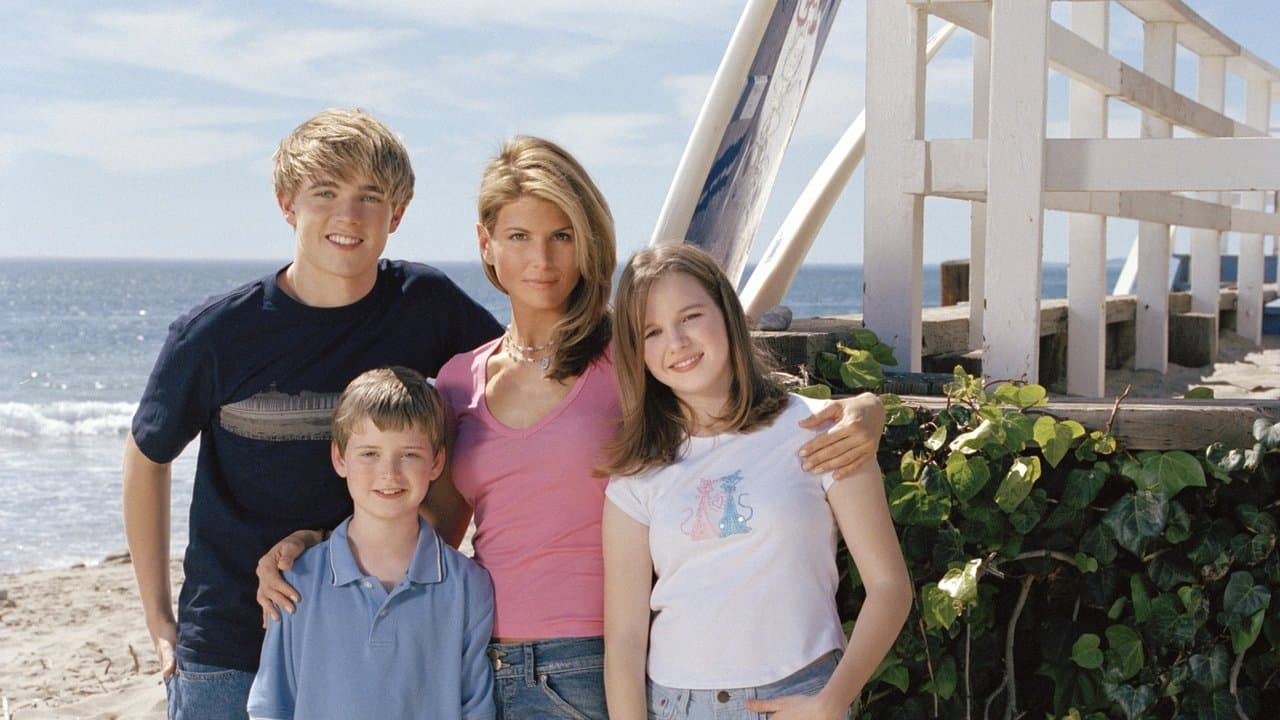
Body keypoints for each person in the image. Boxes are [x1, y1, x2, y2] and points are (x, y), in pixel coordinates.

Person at [256, 136, 886, 719]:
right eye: (520, 236)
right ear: (486, 243)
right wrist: (316, 550)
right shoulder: (457, 382)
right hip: (478, 656)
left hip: (594, 662)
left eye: (562, 235)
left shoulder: (630, 357)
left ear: (588, 241)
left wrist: (866, 409)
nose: (542, 259)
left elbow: (733, 415)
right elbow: (424, 527)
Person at [122, 108, 502, 719]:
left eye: (369, 197)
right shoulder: (217, 334)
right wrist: (159, 617)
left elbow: (501, 399)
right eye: (325, 192)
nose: (348, 216)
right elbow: (147, 457)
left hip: (359, 638)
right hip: (231, 641)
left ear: (397, 214)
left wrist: (437, 530)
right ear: (287, 204)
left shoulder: (427, 308)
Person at [601, 244, 912, 720]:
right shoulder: (636, 475)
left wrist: (832, 702)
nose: (676, 342)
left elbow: (890, 587)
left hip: (802, 697)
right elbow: (624, 640)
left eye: (690, 317)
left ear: (727, 313)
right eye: (652, 332)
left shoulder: (821, 430)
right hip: (678, 707)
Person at [247, 367, 494, 720]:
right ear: (339, 458)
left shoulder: (468, 585)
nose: (389, 472)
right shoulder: (296, 581)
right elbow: (272, 706)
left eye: (409, 454)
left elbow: (476, 708)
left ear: (437, 462)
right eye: (369, 454)